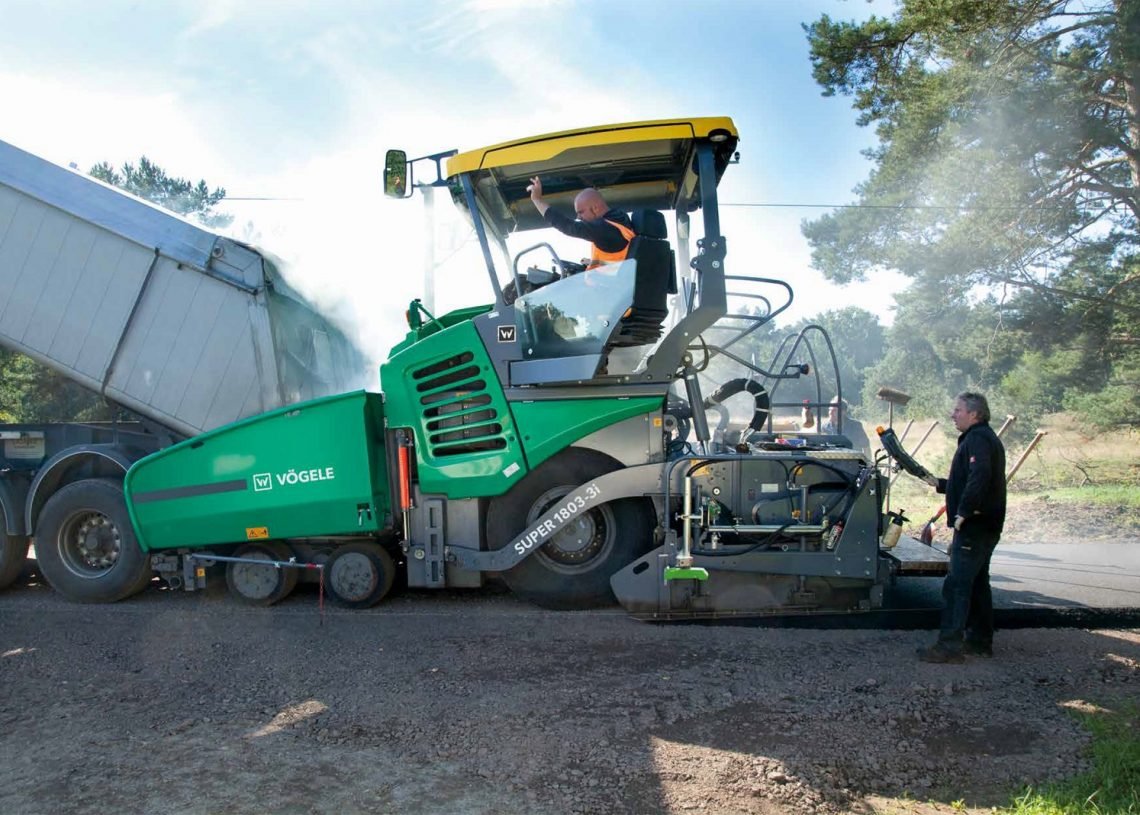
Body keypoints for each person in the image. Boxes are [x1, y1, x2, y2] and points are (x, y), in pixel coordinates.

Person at [916, 391, 1007, 664]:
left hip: (975, 526)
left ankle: (949, 647)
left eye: (958, 410)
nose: (953, 414)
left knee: (956, 585)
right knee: (978, 584)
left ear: (974, 414)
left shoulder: (978, 439)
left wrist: (964, 512)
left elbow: (980, 477)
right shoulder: (981, 438)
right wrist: (941, 484)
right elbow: (968, 479)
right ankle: (980, 642)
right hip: (985, 523)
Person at [527, 177, 635, 268]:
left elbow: (569, 227)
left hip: (606, 287)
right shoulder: (618, 219)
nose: (578, 217)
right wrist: (593, 262)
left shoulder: (604, 228)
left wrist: (537, 200)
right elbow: (617, 262)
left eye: (581, 212)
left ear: (595, 208)